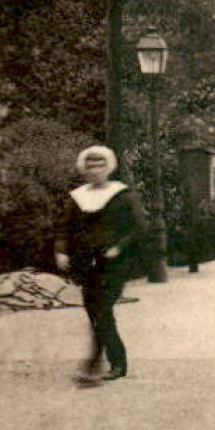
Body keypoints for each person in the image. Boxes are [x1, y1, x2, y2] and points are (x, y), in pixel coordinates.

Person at [54, 146, 146, 387]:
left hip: (115, 263)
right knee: (93, 310)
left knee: (103, 310)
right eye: (90, 167)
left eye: (100, 166)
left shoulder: (123, 195)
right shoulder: (78, 197)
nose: (95, 171)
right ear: (84, 169)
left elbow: (138, 227)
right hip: (86, 261)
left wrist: (119, 247)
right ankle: (100, 362)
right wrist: (61, 251)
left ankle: (110, 363)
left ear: (109, 168)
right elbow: (65, 227)